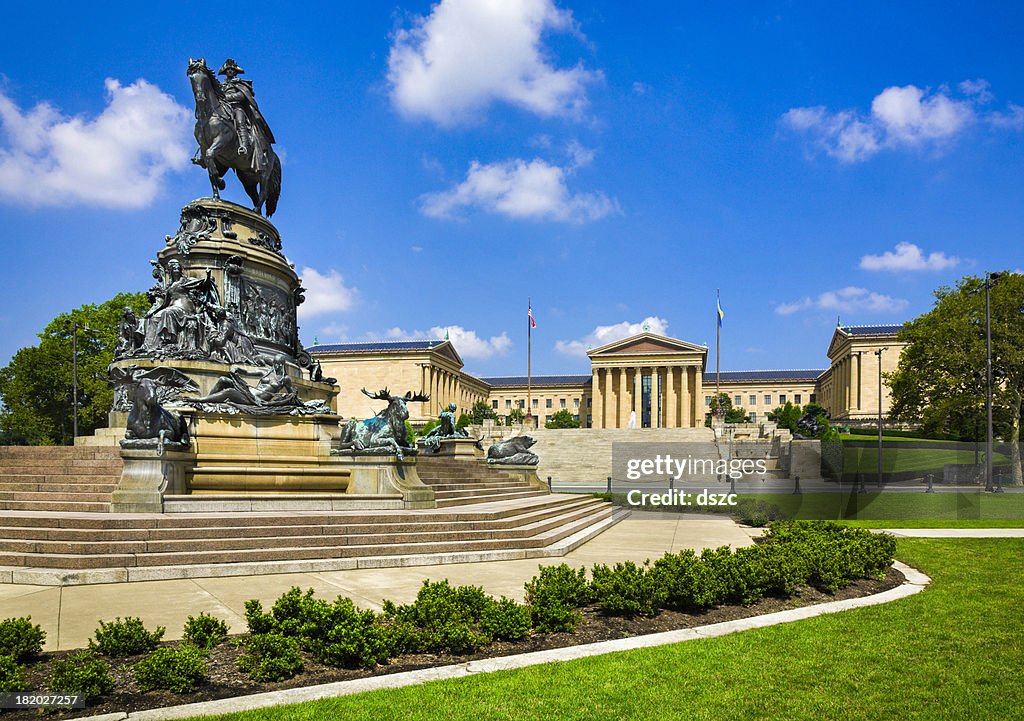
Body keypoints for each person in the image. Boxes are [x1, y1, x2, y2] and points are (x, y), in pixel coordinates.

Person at [218, 59, 275, 167]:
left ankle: (244, 145)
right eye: (228, 70)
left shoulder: (241, 83)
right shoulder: (221, 86)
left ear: (235, 71)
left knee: (240, 122)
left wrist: (226, 97)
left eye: (232, 69)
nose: (230, 71)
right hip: (225, 109)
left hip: (237, 108)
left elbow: (242, 96)